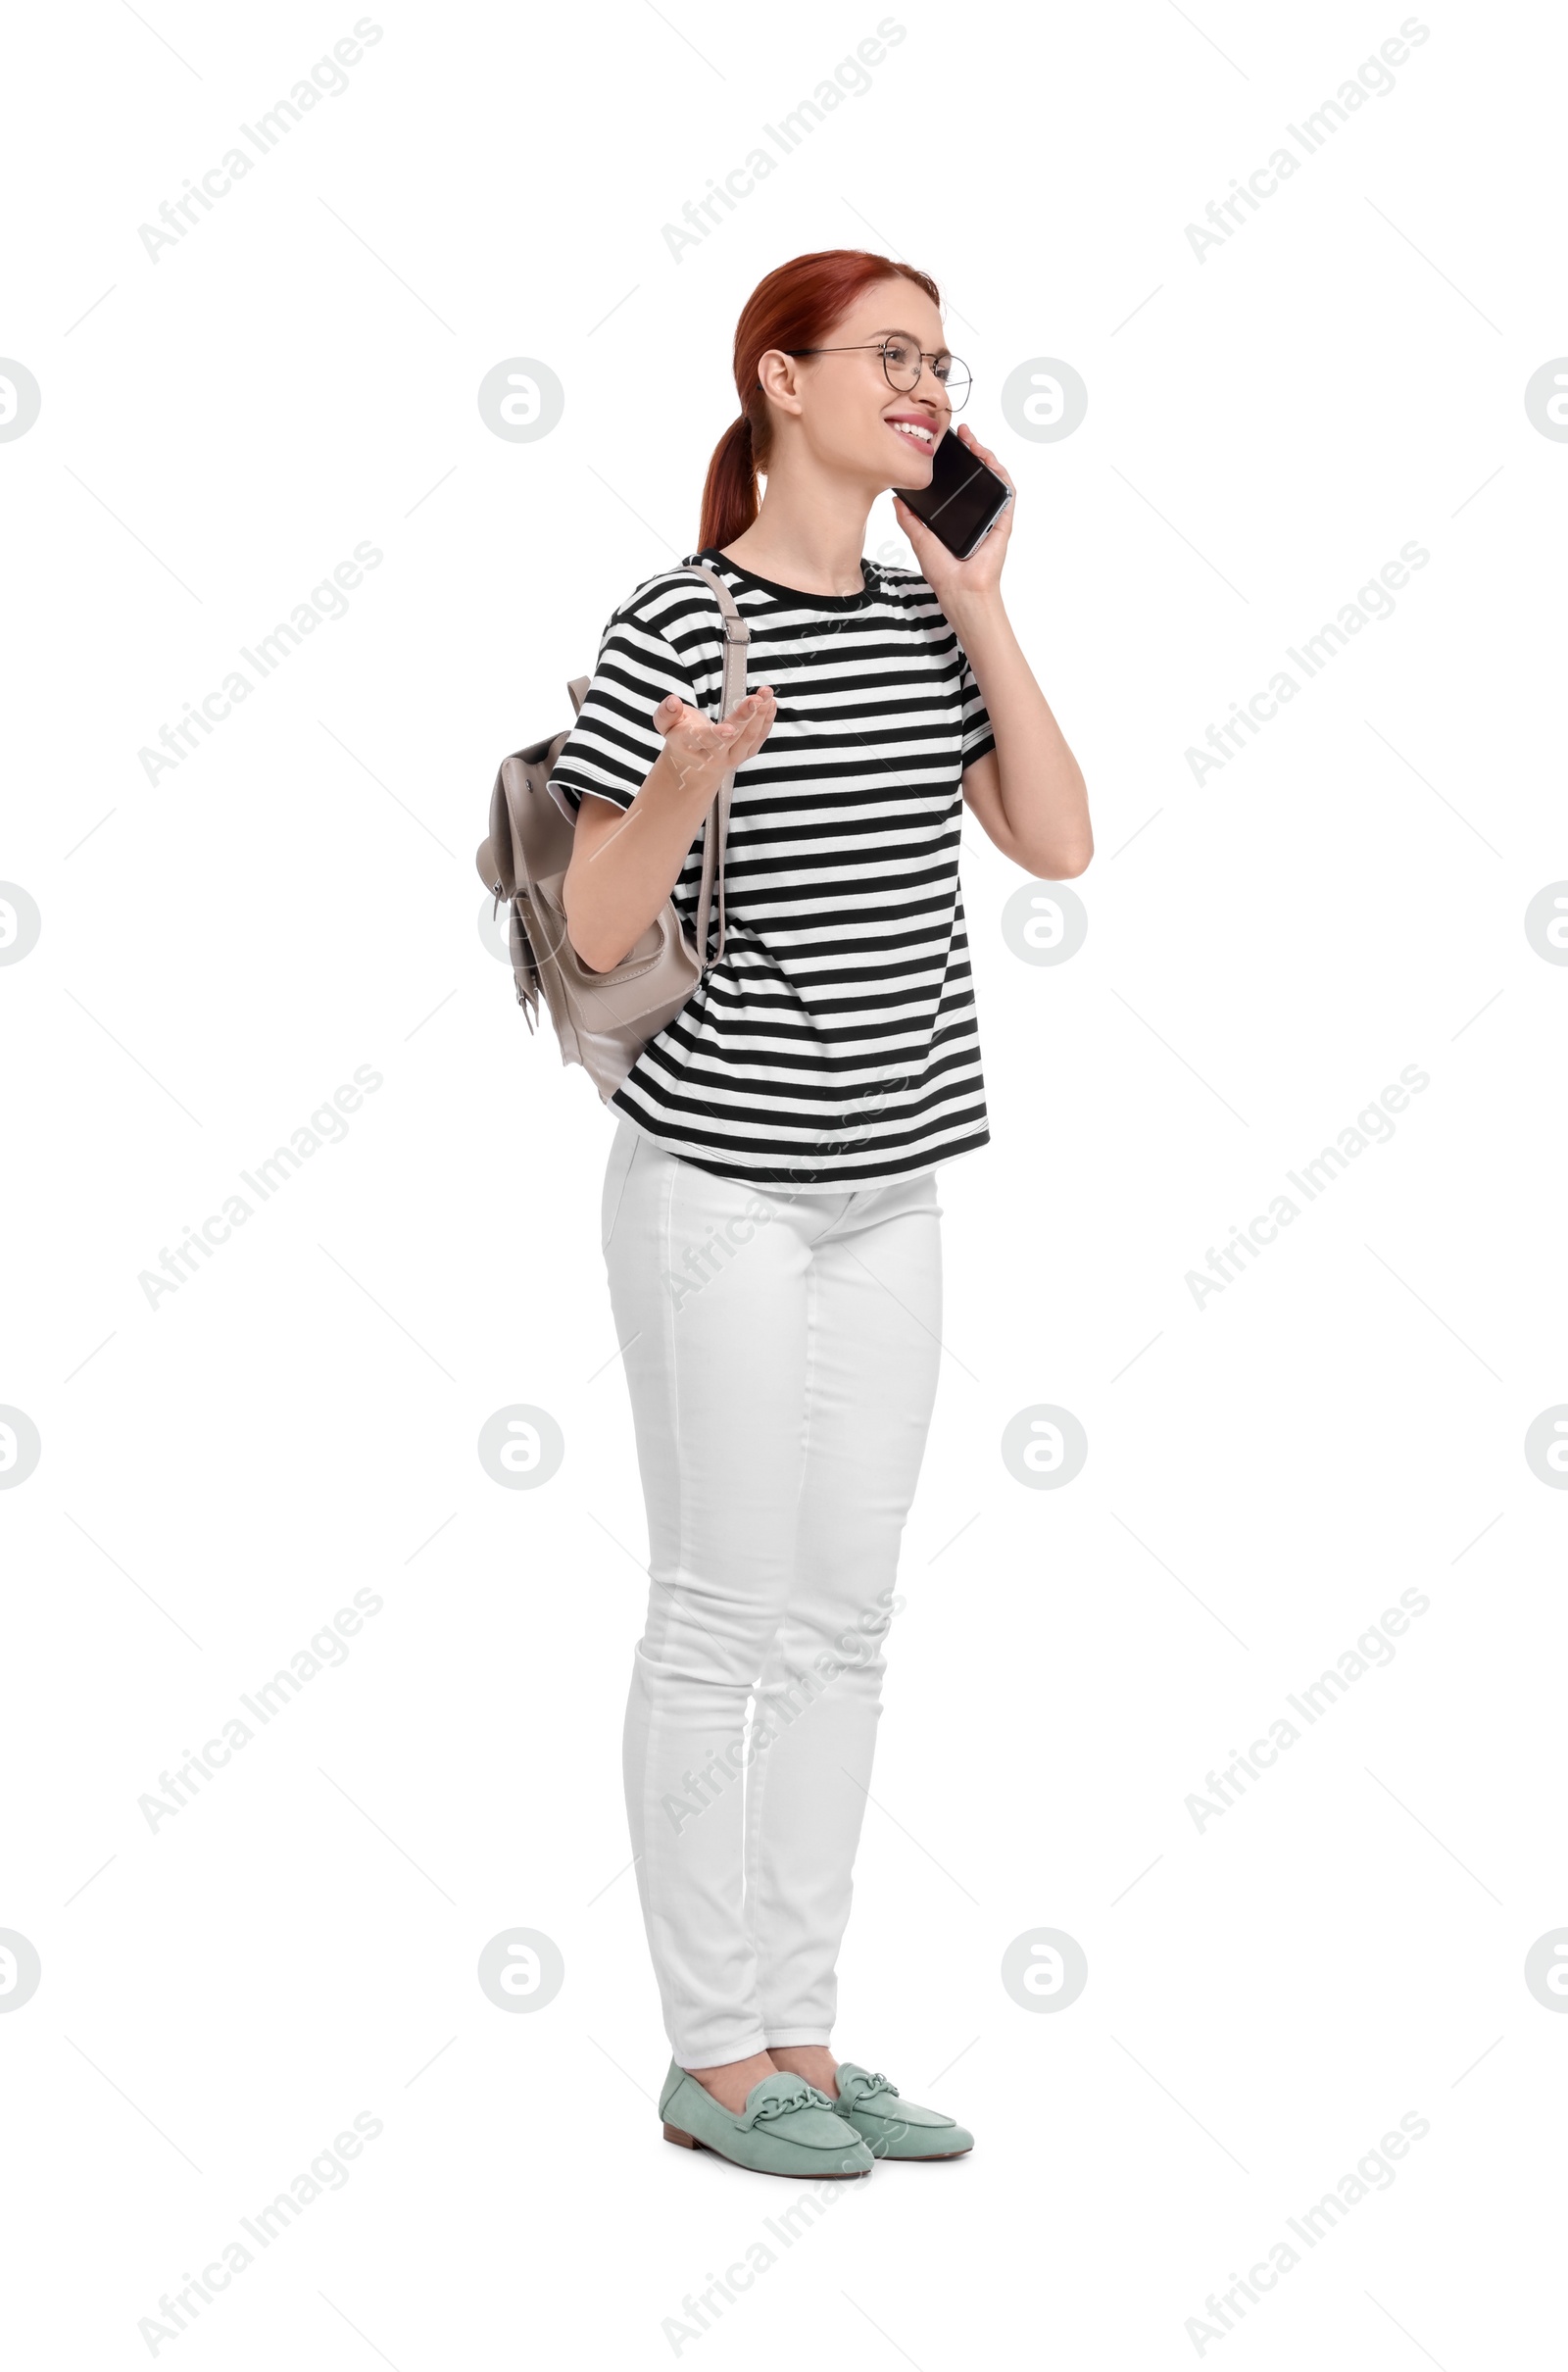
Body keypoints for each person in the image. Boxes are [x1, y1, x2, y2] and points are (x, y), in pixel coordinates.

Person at [548, 249, 1091, 2179]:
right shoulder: (672, 625)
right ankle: (710, 2057)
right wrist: (686, 780)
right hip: (714, 1189)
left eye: (941, 364)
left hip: (891, 1184)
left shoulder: (918, 610)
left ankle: (800, 2032)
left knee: (845, 1622)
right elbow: (595, 932)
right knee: (718, 1612)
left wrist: (979, 599)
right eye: (891, 357)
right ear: (779, 382)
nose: (927, 389)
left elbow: (1052, 837)